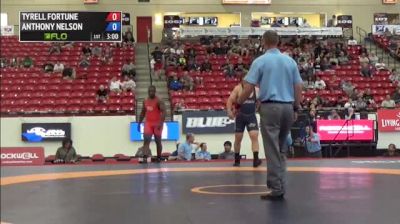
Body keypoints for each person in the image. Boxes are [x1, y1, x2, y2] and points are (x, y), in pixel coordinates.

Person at [237, 30, 303, 200]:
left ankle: (276, 188)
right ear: (278, 42)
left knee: (272, 149)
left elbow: (248, 87)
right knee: (281, 149)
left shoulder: (260, 61)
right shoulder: (290, 61)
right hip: (288, 107)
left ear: (264, 42)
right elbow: (298, 87)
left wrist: (238, 103)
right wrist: (296, 108)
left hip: (270, 107)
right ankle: (280, 184)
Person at [226, 81, 262, 167]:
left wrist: (258, 108)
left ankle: (255, 160)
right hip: (240, 117)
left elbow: (261, 100)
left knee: (254, 136)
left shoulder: (256, 90)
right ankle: (237, 160)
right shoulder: (238, 88)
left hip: (251, 116)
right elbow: (230, 100)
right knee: (238, 138)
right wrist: (229, 111)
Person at [138, 86, 166, 163]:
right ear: (148, 92)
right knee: (146, 140)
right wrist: (139, 123)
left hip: (157, 123)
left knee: (158, 141)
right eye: (150, 91)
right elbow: (143, 112)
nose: (151, 93)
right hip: (148, 123)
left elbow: (164, 112)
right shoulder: (145, 100)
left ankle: (159, 157)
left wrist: (161, 123)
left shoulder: (159, 100)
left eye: (153, 91)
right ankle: (145, 157)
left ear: (155, 91)